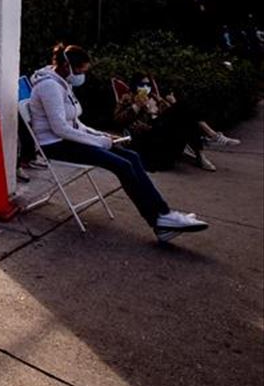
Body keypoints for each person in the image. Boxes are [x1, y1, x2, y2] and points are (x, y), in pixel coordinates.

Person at [29, 43, 209, 243]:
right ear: (65, 66)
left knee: (131, 156)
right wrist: (98, 142)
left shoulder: (62, 83)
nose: (81, 75)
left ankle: (163, 217)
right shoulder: (49, 87)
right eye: (80, 70)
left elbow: (75, 123)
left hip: (69, 140)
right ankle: (159, 219)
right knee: (121, 165)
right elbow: (60, 128)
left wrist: (101, 135)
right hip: (56, 145)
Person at [113, 73, 237, 172]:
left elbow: (169, 113)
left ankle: (204, 149)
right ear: (135, 85)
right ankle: (211, 138)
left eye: (148, 84)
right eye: (142, 84)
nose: (145, 87)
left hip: (162, 130)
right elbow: (118, 120)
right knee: (182, 108)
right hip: (148, 135)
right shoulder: (127, 98)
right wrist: (137, 106)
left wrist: (170, 104)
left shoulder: (154, 97)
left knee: (185, 114)